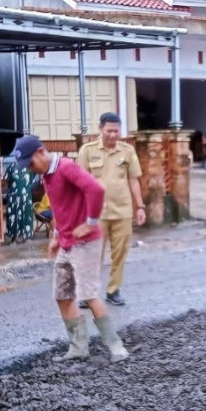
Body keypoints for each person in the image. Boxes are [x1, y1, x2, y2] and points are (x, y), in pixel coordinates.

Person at [11, 135, 129, 363]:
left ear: (40, 152)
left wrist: (90, 223)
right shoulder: (47, 176)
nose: (31, 169)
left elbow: (96, 189)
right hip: (66, 242)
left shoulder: (66, 167)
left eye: (31, 163)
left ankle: (116, 347)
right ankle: (78, 347)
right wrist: (55, 236)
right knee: (62, 295)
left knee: (89, 294)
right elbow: (58, 206)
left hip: (85, 243)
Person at [78, 112, 146, 307]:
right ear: (100, 129)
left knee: (120, 252)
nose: (113, 135)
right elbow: (80, 183)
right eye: (109, 131)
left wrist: (140, 206)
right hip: (95, 214)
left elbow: (133, 180)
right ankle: (88, 292)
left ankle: (113, 290)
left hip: (122, 211)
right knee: (93, 253)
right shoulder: (87, 151)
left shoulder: (127, 151)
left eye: (116, 131)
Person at [3, 156, 34, 243]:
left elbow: (31, 181)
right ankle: (14, 238)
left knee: (26, 215)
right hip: (14, 197)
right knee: (14, 216)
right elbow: (5, 181)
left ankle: (26, 236)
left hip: (25, 197)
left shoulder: (29, 168)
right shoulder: (11, 167)